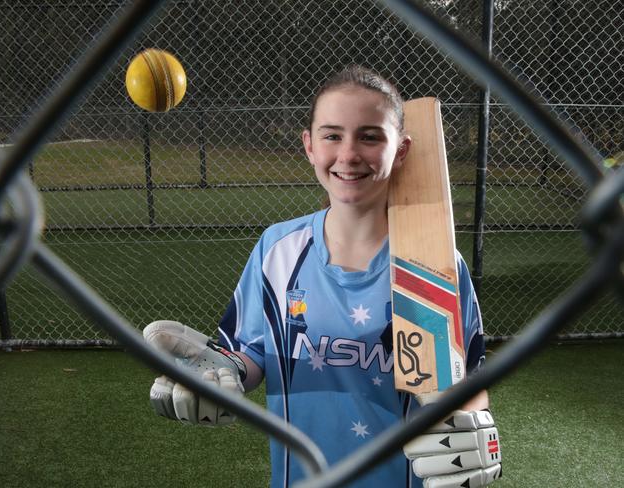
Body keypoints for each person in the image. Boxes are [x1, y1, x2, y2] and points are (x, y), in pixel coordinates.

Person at [143, 65, 502, 488]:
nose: (348, 155)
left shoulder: (434, 261)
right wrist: (221, 372)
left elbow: (468, 379)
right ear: (310, 146)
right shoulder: (277, 250)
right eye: (333, 135)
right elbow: (252, 353)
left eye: (370, 136)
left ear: (401, 150)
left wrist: (474, 427)